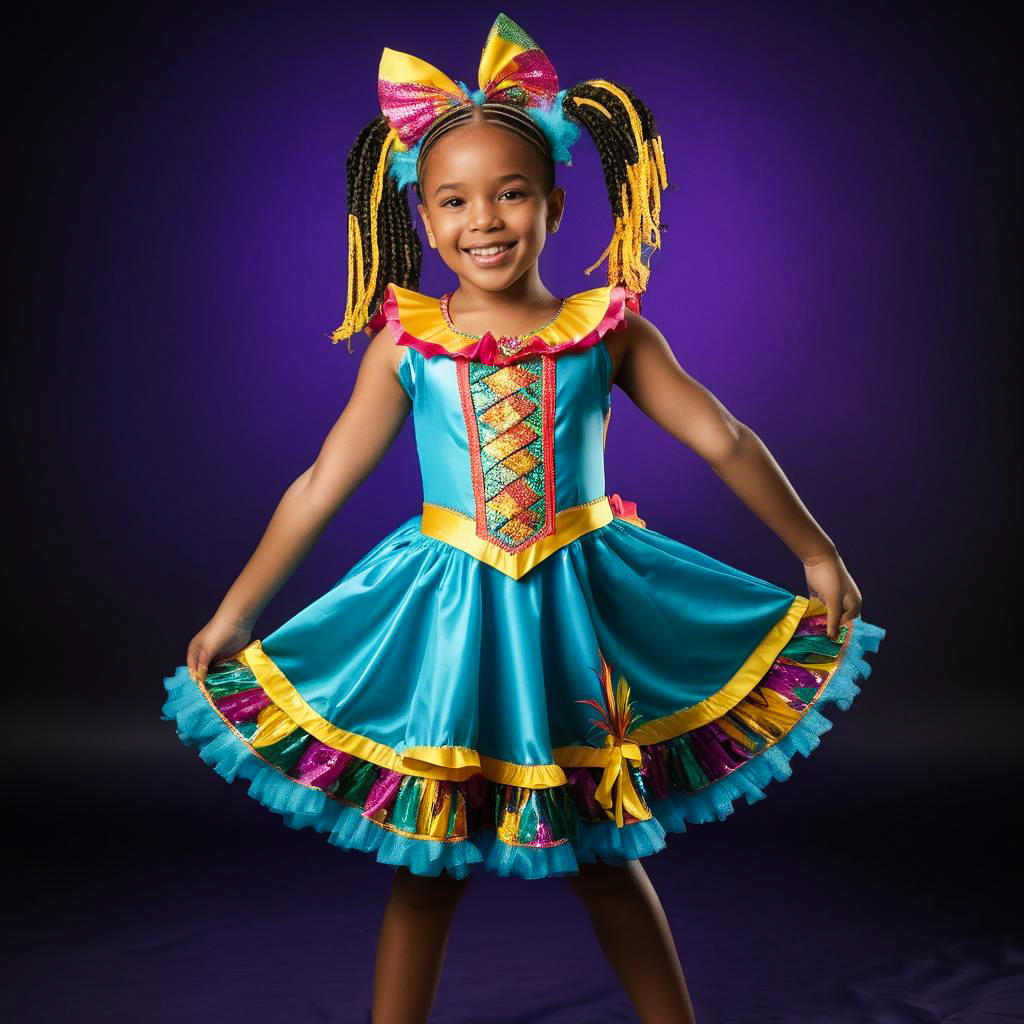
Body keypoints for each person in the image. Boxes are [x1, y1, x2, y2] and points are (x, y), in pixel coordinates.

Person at [161, 14, 885, 1023]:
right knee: (428, 859)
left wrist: (816, 549)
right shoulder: (405, 344)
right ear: (420, 212)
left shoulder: (607, 330)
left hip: (573, 618)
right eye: (454, 200)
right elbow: (322, 479)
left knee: (600, 849)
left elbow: (719, 435)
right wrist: (238, 611)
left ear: (552, 202)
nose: (484, 220)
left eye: (509, 194)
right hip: (447, 623)